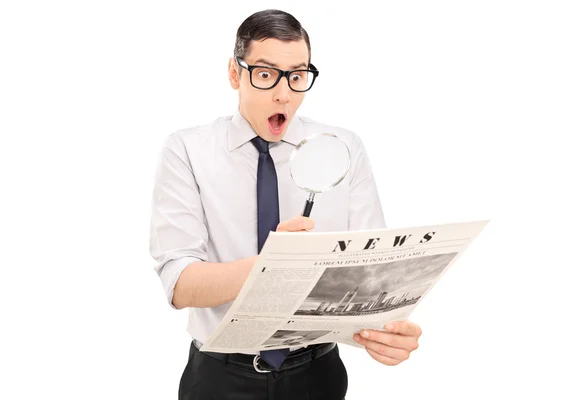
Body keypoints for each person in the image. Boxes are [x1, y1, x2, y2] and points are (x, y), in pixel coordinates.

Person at [149, 9, 422, 400]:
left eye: (297, 76)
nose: (284, 94)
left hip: (318, 374)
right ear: (233, 73)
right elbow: (179, 284)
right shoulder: (187, 150)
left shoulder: (344, 147)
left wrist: (386, 333)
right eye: (265, 74)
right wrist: (272, 265)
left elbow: (369, 275)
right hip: (219, 378)